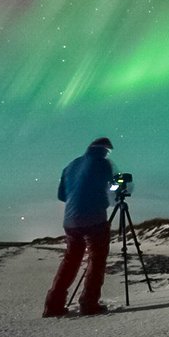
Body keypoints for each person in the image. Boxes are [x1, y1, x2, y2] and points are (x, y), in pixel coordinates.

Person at [43, 136, 115, 317]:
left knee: (71, 260)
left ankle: (53, 305)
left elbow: (62, 195)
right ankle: (89, 303)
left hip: (71, 221)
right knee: (97, 259)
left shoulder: (71, 165)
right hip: (94, 218)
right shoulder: (103, 163)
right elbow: (112, 187)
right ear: (105, 150)